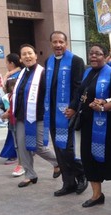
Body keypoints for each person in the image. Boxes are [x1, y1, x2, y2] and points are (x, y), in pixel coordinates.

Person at [44, 31, 87, 196]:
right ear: (51, 44)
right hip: (52, 112)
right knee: (58, 149)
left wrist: (74, 107)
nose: (58, 45)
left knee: (66, 149)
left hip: (67, 113)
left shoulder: (75, 61)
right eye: (54, 42)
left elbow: (79, 87)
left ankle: (81, 173)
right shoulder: (48, 62)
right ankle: (68, 183)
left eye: (61, 42)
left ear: (66, 43)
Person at [78, 44, 111, 208]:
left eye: (98, 54)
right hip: (87, 123)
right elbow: (80, 94)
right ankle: (97, 195)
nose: (93, 56)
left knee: (109, 160)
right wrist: (73, 107)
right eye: (91, 53)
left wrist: (103, 104)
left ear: (106, 56)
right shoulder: (87, 73)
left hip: (105, 125)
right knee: (87, 158)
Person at [12, 44, 58, 187]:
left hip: (37, 116)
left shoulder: (43, 73)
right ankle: (30, 174)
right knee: (22, 146)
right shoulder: (21, 74)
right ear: (20, 58)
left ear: (36, 55)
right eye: (24, 54)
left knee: (38, 146)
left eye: (30, 53)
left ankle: (58, 162)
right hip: (20, 117)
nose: (27, 56)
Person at [0, 53, 22, 169]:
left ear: (11, 63)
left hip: (14, 107)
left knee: (14, 132)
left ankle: (14, 155)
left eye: (7, 63)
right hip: (9, 105)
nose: (6, 65)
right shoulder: (13, 74)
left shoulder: (17, 75)